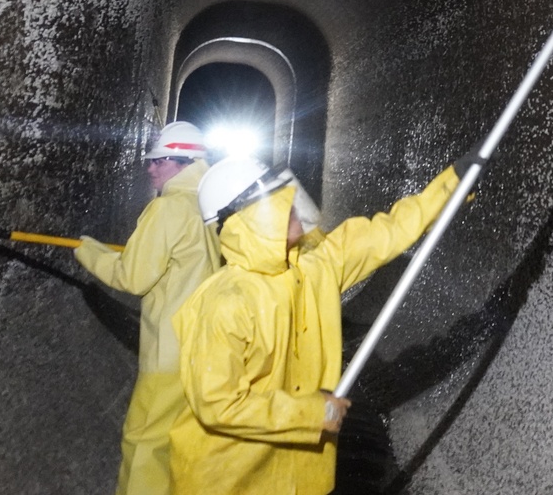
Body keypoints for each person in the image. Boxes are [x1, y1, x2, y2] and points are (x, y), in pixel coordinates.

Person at [168, 154, 468, 495]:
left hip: (293, 476)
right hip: (224, 481)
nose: (294, 205)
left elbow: (387, 232)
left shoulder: (315, 266)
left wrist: (452, 184)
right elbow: (218, 405)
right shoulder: (223, 304)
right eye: (281, 202)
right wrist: (312, 412)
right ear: (248, 220)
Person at [75, 120, 221, 495]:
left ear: (182, 162)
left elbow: (133, 278)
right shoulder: (205, 209)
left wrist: (88, 252)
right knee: (176, 443)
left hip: (167, 353)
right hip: (200, 349)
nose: (150, 168)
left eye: (159, 161)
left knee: (144, 443)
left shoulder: (167, 209)